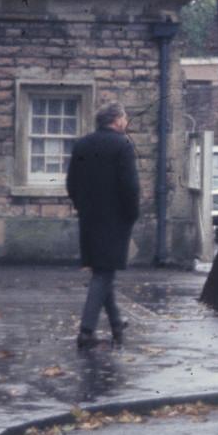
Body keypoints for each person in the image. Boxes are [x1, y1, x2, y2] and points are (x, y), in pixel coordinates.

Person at [65, 101, 141, 349]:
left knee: (102, 270)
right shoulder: (123, 145)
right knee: (104, 272)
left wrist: (82, 206)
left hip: (89, 218)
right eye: (125, 118)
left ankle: (117, 324)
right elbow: (130, 186)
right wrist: (132, 214)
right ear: (117, 120)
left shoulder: (82, 144)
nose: (126, 122)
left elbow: (71, 184)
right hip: (116, 219)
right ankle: (86, 331)